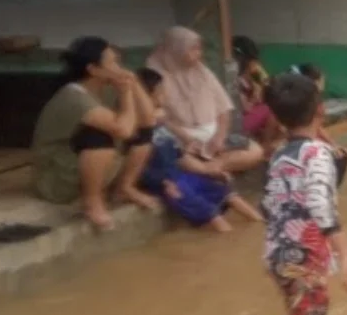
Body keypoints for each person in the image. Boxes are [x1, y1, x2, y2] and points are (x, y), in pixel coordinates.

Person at [260, 73, 347, 315]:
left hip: (277, 257)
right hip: (305, 260)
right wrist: (346, 253)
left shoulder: (279, 155)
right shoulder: (318, 154)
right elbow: (319, 202)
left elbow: (267, 204)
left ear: (277, 118)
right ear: (320, 110)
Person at [30, 36, 158, 230]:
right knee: (98, 137)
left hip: (84, 167)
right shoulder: (74, 97)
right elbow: (122, 130)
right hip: (57, 178)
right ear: (93, 69)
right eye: (113, 62)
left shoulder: (105, 88)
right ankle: (92, 202)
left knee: (144, 134)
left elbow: (148, 120)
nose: (119, 68)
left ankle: (125, 187)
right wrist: (125, 95)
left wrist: (133, 83)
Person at [136, 68, 263, 232]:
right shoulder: (138, 131)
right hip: (168, 183)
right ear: (145, 98)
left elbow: (178, 156)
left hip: (181, 176)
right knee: (211, 213)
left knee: (226, 193)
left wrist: (208, 170)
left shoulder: (162, 125)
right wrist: (162, 182)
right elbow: (139, 168)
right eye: (160, 93)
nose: (165, 97)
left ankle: (260, 223)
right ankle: (227, 236)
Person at [147, 26, 265, 173]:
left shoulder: (202, 71)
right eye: (193, 49)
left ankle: (210, 169)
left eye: (199, 49)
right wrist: (185, 137)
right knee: (172, 156)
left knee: (255, 152)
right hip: (179, 138)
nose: (199, 54)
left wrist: (219, 137)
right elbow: (156, 118)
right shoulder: (153, 76)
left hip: (211, 136)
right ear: (176, 49)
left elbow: (223, 108)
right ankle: (208, 170)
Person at [292, 63, 347, 184]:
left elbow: (318, 128)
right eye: (322, 81)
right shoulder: (312, 102)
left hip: (303, 139)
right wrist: (331, 146)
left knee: (340, 154)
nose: (323, 84)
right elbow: (315, 128)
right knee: (340, 157)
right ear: (314, 82)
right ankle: (329, 189)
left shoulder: (303, 98)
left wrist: (333, 145)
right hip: (303, 140)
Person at [233, 35, 276, 145]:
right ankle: (265, 147)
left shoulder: (253, 74)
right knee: (272, 111)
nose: (256, 64)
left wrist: (258, 85)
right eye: (252, 60)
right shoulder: (235, 79)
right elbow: (246, 108)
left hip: (245, 116)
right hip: (237, 123)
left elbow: (269, 86)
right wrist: (256, 93)